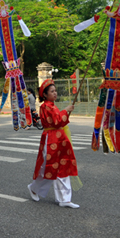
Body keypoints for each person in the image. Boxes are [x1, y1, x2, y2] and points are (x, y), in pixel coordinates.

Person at [28, 79, 80, 208]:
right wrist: (66, 110)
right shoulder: (45, 106)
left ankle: (65, 199)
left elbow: (61, 122)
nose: (55, 93)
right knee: (48, 168)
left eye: (55, 90)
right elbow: (56, 121)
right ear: (45, 94)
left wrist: (66, 112)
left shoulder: (53, 106)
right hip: (50, 139)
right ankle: (34, 188)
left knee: (63, 167)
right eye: (52, 91)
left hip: (60, 139)